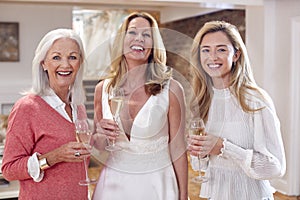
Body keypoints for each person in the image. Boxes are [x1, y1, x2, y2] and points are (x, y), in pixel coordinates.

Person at [92, 12, 188, 200]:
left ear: (153, 45)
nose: (139, 39)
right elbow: (100, 146)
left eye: (146, 35)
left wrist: (184, 195)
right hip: (113, 187)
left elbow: (178, 147)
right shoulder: (102, 89)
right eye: (133, 33)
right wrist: (100, 135)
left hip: (157, 185)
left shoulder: (171, 89)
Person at [187, 20, 286, 200]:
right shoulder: (202, 100)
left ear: (236, 55)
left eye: (221, 49)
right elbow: (200, 166)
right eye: (206, 50)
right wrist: (198, 151)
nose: (212, 57)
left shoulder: (255, 100)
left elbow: (276, 167)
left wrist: (224, 147)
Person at [1, 28, 90, 200]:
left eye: (72, 57)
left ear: (80, 63)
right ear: (43, 63)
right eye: (56, 57)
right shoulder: (27, 107)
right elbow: (9, 169)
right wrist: (54, 157)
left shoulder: (78, 107)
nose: (65, 65)